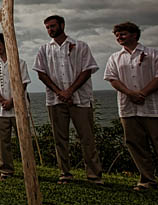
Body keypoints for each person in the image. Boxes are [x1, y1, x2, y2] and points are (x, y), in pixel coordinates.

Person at [103, 22, 158, 195]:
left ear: (135, 35)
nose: (119, 37)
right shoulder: (115, 57)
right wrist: (130, 93)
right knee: (136, 145)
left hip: (155, 108)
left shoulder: (154, 53)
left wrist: (142, 93)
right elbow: (112, 79)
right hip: (128, 109)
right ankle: (147, 180)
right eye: (117, 35)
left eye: (123, 34)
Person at [32, 15, 104, 185]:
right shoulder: (44, 49)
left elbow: (87, 70)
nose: (51, 30)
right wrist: (60, 92)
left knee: (87, 137)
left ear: (62, 25)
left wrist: (70, 91)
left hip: (80, 99)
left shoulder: (80, 46)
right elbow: (41, 73)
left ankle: (94, 175)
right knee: (60, 138)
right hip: (55, 100)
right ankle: (65, 173)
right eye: (48, 27)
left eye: (53, 26)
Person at [0, 33, 31, 180]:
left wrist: (12, 100)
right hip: (0, 108)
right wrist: (2, 100)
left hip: (19, 108)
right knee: (3, 142)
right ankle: (6, 171)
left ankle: (29, 169)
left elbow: (23, 84)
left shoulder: (19, 62)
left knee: (24, 140)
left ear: (5, 43)